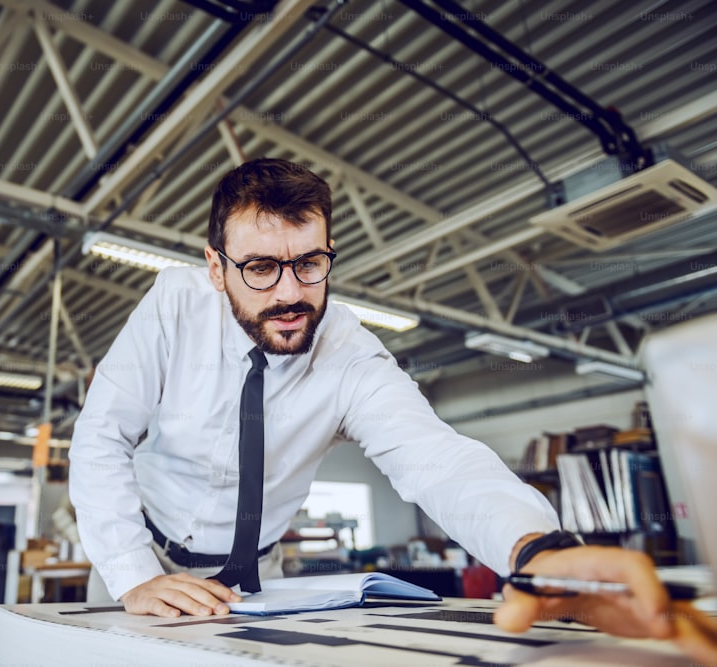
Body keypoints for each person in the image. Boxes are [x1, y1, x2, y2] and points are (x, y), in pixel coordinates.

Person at [69, 158, 717, 662]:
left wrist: (536, 548)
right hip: (140, 559)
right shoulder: (173, 306)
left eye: (310, 262)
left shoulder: (349, 352)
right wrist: (132, 575)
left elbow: (437, 461)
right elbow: (101, 437)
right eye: (261, 267)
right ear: (215, 267)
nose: (291, 292)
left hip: (255, 579)